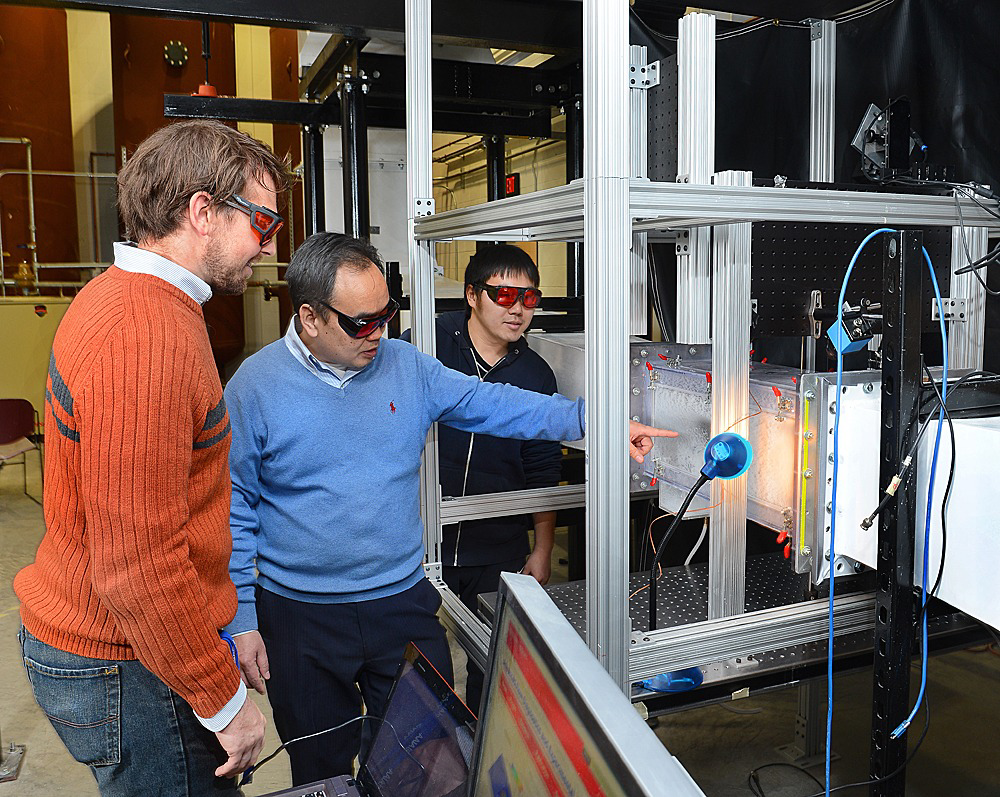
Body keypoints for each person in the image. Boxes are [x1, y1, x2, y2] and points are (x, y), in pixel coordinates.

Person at [224, 232, 674, 786]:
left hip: (399, 601)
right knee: (320, 769)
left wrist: (599, 422)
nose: (378, 334)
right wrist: (241, 620)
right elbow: (232, 507)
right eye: (360, 322)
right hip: (301, 617)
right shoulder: (255, 387)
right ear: (311, 317)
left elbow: (497, 404)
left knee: (429, 760)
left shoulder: (407, 367)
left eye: (386, 314)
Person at [14, 119, 291, 796]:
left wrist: (226, 623)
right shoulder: (147, 335)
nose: (271, 243)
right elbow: (138, 566)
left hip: (128, 642)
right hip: (127, 662)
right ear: (202, 211)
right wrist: (224, 702)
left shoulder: (133, 298)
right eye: (262, 221)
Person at [401, 244, 560, 711]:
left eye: (529, 299)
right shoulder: (425, 345)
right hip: (417, 540)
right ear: (472, 295)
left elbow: (542, 467)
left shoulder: (535, 374)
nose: (517, 309)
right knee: (417, 674)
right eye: (505, 295)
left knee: (492, 670)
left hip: (496, 542)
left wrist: (543, 546)